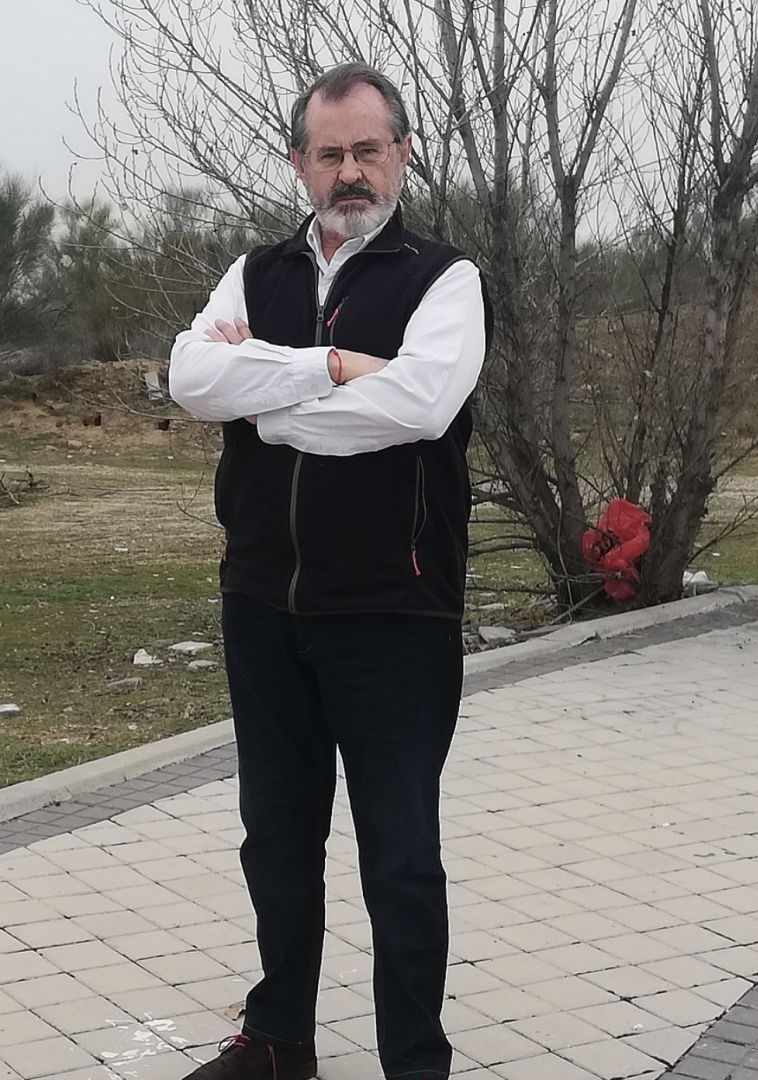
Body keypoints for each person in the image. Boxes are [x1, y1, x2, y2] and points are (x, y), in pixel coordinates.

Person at [169, 62, 490, 1080]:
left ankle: (415, 1063)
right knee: (274, 839)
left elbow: (419, 407)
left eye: (367, 150)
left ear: (402, 153)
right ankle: (279, 1043)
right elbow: (191, 376)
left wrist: (263, 400)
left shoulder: (443, 278)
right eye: (329, 153)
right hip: (263, 601)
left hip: (395, 606)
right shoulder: (253, 273)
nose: (349, 171)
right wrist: (329, 368)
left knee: (400, 857)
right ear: (300, 163)